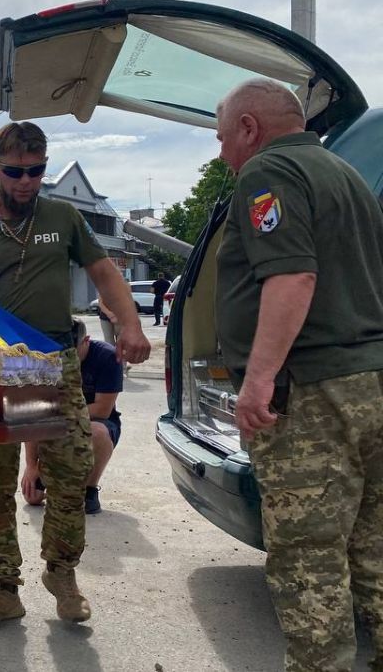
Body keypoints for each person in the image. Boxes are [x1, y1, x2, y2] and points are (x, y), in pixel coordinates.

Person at [0, 121, 150, 631]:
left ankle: (62, 573)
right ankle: (2, 590)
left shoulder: (62, 217)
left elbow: (104, 273)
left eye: (36, 171)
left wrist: (129, 322)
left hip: (50, 367)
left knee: (69, 471)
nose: (26, 181)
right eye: (15, 171)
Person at [213, 78, 383, 671]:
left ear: (249, 129)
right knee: (373, 548)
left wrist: (258, 381)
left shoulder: (267, 173)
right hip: (369, 384)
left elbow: (292, 278)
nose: (221, 153)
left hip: (311, 394)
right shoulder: (348, 176)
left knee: (308, 556)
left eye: (222, 136)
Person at [21, 319, 123, 514]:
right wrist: (31, 466)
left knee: (97, 432)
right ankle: (52, 475)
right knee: (32, 497)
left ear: (86, 341)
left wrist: (58, 412)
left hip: (96, 422)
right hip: (57, 420)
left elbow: (102, 409)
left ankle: (89, 489)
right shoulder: (48, 359)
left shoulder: (107, 357)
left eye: (72, 354)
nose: (67, 361)